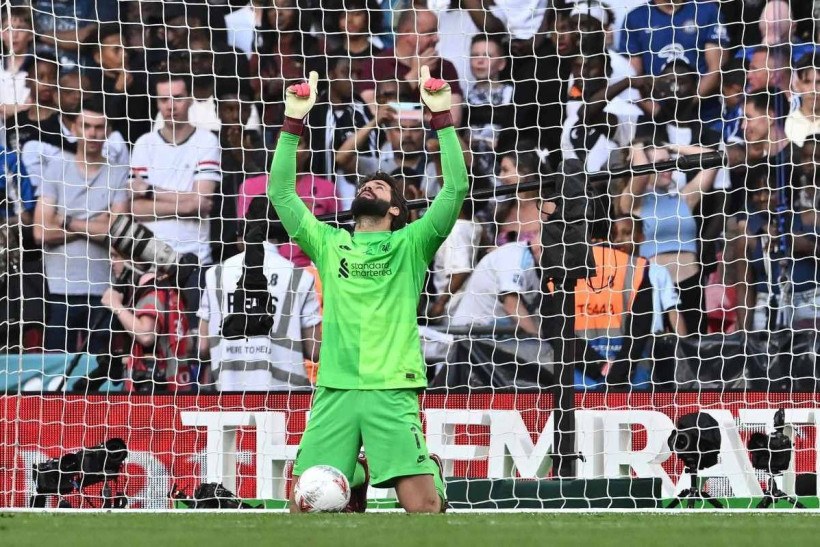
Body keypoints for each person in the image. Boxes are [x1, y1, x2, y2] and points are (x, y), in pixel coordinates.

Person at [269, 68, 467, 513]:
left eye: (382, 185)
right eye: (366, 183)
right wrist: (292, 122)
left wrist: (441, 117)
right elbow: (280, 192)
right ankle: (356, 469)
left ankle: (410, 468)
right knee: (303, 510)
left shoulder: (412, 244)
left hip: (391, 388)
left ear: (396, 209)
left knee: (426, 512)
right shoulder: (328, 242)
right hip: (335, 389)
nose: (370, 183)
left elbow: (456, 188)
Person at [32, 96, 130, 353]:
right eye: (86, 126)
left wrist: (66, 220)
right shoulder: (55, 168)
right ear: (74, 128)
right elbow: (41, 232)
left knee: (98, 377)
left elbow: (118, 232)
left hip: (103, 290)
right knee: (54, 376)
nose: (93, 133)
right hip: (57, 288)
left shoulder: (117, 172)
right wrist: (96, 223)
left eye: (99, 127)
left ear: (108, 131)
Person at [198, 197, 322, 391]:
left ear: (244, 229)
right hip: (286, 400)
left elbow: (203, 348)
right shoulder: (300, 277)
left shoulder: (214, 274)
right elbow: (315, 350)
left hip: (229, 397)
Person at [619, 141, 718, 335]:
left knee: (696, 350)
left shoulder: (684, 199)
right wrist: (638, 148)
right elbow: (641, 174)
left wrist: (674, 147)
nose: (668, 169)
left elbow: (714, 159)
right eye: (660, 164)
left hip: (691, 283)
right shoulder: (632, 202)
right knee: (659, 351)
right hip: (654, 286)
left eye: (669, 162)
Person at [130, 68, 222, 267]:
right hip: (148, 258)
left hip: (194, 258)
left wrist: (149, 191)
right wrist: (188, 201)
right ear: (156, 102)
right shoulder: (144, 143)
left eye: (178, 98)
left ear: (190, 99)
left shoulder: (207, 141)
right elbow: (135, 208)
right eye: (164, 100)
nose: (171, 106)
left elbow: (199, 206)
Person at [101, 252, 191, 393]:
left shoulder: (151, 289)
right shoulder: (168, 286)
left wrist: (114, 304)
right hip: (179, 383)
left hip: (157, 391)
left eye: (116, 256)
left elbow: (146, 335)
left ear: (136, 258)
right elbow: (188, 340)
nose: (111, 262)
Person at [358, 8, 464, 126]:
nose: (436, 38)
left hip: (433, 142)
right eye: (430, 33)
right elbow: (375, 111)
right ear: (408, 33)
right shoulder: (374, 64)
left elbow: (453, 121)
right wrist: (414, 75)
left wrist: (403, 113)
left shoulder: (446, 67)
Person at [611, 216, 686, 336]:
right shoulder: (606, 273)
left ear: (641, 237)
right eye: (614, 235)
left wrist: (684, 345)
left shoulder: (657, 271)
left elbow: (672, 310)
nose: (618, 239)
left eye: (627, 233)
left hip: (650, 340)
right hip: (617, 339)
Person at [449, 239, 541, 336]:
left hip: (495, 336)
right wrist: (539, 340)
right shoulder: (514, 255)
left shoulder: (539, 267)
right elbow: (511, 304)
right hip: (473, 335)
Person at [786, 52, 820, 147]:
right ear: (797, 85)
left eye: (819, 82)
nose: (814, 90)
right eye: (807, 82)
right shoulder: (788, 124)